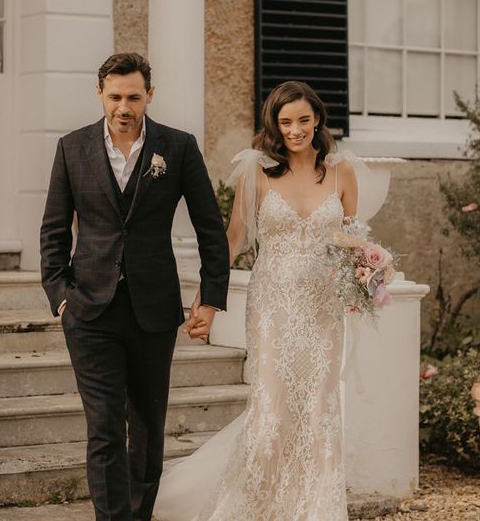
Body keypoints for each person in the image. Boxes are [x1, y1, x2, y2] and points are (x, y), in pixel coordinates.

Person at [154, 80, 359, 521]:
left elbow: (354, 244)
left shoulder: (343, 172)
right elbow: (232, 241)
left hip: (324, 308)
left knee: (319, 406)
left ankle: (315, 508)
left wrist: (366, 280)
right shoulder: (256, 172)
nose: (296, 129)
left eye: (304, 119)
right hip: (273, 306)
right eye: (286, 122)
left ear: (318, 119)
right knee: (273, 405)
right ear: (275, 125)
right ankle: (254, 505)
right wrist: (206, 300)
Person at [40, 52, 230, 521]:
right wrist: (60, 296)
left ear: (150, 95)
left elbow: (210, 225)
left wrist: (211, 297)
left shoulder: (178, 147)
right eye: (115, 96)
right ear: (100, 94)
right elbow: (53, 231)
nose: (124, 106)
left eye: (133, 96)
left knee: (146, 428)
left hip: (153, 310)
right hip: (89, 310)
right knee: (104, 428)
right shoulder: (72, 147)